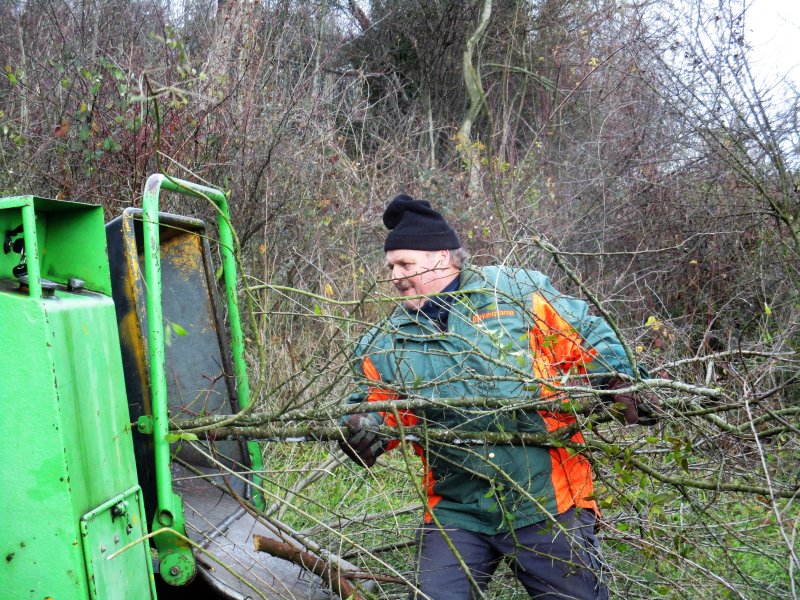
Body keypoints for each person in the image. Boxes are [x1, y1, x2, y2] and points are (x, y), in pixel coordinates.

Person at [339, 194, 648, 599]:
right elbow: (381, 404)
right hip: (456, 506)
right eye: (391, 267)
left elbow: (584, 336)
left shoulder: (514, 293)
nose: (395, 277)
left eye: (405, 265)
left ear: (442, 257)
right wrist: (364, 427)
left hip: (546, 499)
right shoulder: (386, 341)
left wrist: (620, 377)